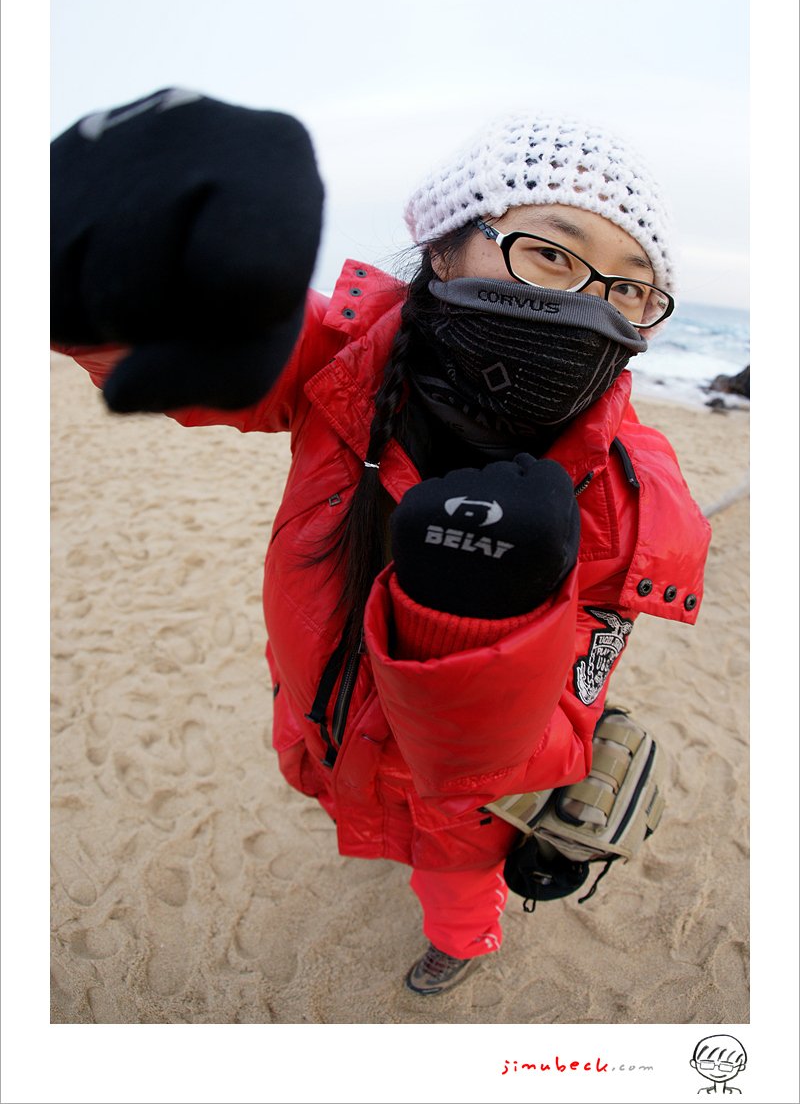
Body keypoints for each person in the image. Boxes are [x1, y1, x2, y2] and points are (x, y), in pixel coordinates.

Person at [51, 91, 711, 996]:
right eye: (551, 253)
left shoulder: (625, 501)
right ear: (443, 248)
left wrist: (479, 622)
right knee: (366, 813)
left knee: (456, 883)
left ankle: (463, 943)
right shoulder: (346, 362)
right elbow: (205, 345)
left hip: (466, 804)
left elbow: (547, 738)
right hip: (328, 719)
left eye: (628, 288)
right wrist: (119, 264)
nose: (586, 302)